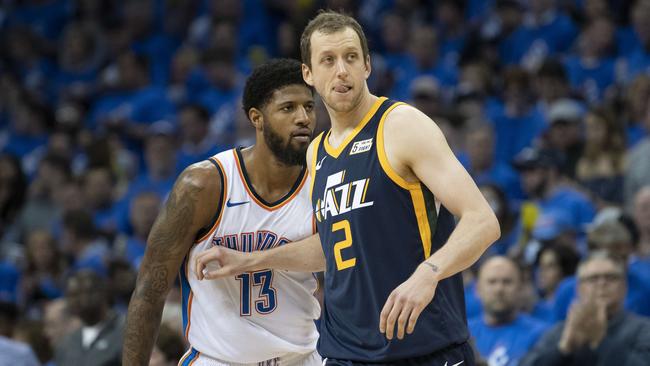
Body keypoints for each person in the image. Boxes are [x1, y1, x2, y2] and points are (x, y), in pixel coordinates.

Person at [195, 11, 500, 364]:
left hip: (423, 348)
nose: (341, 70)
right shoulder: (316, 152)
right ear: (308, 74)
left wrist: (428, 273)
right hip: (345, 353)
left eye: (351, 57)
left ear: (367, 65)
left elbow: (482, 221)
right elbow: (334, 244)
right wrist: (251, 260)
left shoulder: (401, 125)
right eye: (328, 60)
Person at [122, 58, 321, 366]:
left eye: (309, 107)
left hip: (301, 358)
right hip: (218, 360)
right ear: (257, 118)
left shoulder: (323, 180)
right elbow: (150, 289)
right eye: (288, 108)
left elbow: (341, 253)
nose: (303, 118)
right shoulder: (204, 184)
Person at [520, 252, 650, 366]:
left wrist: (601, 342)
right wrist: (563, 349)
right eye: (593, 279)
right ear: (579, 288)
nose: (601, 284)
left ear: (624, 287)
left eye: (611, 277)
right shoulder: (560, 333)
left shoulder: (643, 330)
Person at [469, 257, 548, 366]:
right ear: (477, 289)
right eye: (492, 282)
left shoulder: (541, 334)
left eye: (507, 282)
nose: (499, 289)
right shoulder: (463, 335)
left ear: (520, 288)